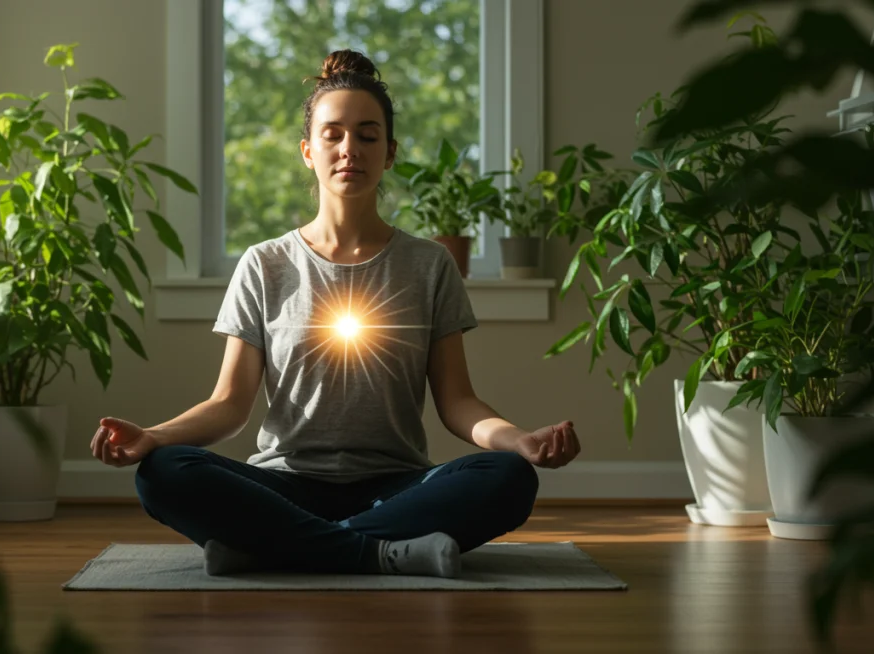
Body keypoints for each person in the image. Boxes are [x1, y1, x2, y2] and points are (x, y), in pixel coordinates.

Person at [89, 49, 580, 578]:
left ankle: (271, 547)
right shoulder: (264, 264)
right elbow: (229, 405)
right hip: (284, 486)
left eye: (368, 136)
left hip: (397, 486)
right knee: (163, 472)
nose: (351, 149)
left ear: (390, 153)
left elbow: (458, 402)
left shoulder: (430, 264)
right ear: (307, 150)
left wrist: (519, 440)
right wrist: (154, 437)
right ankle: (379, 553)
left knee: (507, 478)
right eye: (334, 134)